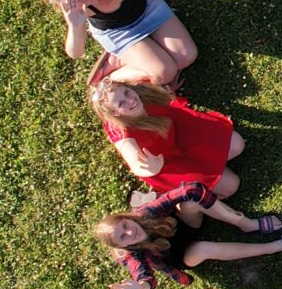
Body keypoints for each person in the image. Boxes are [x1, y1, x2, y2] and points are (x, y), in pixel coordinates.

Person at [39, 0, 200, 87]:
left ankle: (129, 58)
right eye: (76, 1)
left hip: (148, 8)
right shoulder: (79, 10)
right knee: (165, 73)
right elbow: (75, 53)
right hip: (119, 33)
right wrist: (74, 26)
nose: (83, 1)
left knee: (186, 57)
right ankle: (111, 77)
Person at [93, 204, 282, 289]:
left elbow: (177, 194)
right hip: (183, 254)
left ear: (126, 217)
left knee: (191, 201)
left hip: (185, 226)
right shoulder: (134, 255)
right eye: (123, 237)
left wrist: (197, 191)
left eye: (125, 225)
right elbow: (144, 276)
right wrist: (141, 287)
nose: (130, 232)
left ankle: (249, 225)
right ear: (123, 247)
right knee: (204, 249)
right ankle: (273, 246)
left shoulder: (144, 213)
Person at [89, 78, 245, 201]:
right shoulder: (120, 132)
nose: (130, 100)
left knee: (237, 145)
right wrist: (151, 167)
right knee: (231, 186)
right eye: (121, 103)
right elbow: (134, 161)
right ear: (115, 114)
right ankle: (185, 200)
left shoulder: (141, 91)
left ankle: (211, 165)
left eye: (127, 92)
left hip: (178, 130)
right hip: (166, 162)